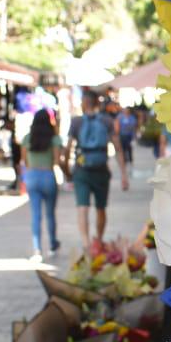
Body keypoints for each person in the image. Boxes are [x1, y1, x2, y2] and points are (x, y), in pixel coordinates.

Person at [62, 89, 128, 248]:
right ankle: (98, 240)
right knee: (101, 208)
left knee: (82, 208)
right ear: (97, 103)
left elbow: (67, 149)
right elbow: (118, 148)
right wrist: (124, 175)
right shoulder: (106, 121)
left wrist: (67, 171)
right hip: (101, 170)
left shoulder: (76, 122)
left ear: (83, 104)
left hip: (81, 170)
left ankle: (86, 243)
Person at [21, 109, 64, 259]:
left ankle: (37, 249)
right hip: (48, 175)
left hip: (32, 176)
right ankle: (52, 244)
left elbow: (24, 160)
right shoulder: (54, 139)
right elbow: (58, 161)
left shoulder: (28, 138)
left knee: (36, 214)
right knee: (50, 214)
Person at [116, 105, 138, 169]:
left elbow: (134, 126)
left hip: (129, 136)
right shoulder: (120, 117)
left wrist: (134, 135)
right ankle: (124, 161)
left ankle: (130, 161)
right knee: (123, 149)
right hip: (122, 135)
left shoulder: (132, 117)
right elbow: (117, 125)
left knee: (129, 148)